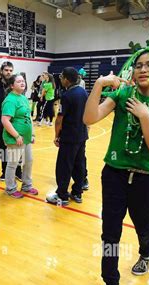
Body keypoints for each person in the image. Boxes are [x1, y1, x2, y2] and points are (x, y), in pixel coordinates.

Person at [83, 35, 149, 285]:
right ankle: (110, 281)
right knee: (110, 232)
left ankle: (147, 252)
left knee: (143, 224)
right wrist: (99, 85)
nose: (143, 69)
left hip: (146, 179)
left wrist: (145, 116)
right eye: (138, 65)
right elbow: (89, 118)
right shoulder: (123, 94)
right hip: (114, 175)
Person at [46, 67, 88, 206]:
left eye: (62, 77)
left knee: (64, 166)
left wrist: (57, 135)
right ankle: (77, 192)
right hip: (81, 135)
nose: (61, 80)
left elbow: (59, 119)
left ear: (66, 79)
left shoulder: (67, 96)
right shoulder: (83, 92)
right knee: (79, 164)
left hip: (69, 137)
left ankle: (62, 195)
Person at [1, 74, 38, 198]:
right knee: (13, 163)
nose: (22, 83)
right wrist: (16, 136)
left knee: (29, 161)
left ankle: (27, 185)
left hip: (26, 138)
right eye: (18, 81)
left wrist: (32, 133)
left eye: (23, 81)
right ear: (12, 85)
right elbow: (5, 120)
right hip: (14, 139)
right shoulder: (10, 100)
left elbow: (28, 117)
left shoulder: (23, 98)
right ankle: (10, 188)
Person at [0, 61, 22, 181]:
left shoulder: (16, 84)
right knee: (3, 148)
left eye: (10, 70)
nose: (8, 72)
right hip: (1, 123)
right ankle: (4, 171)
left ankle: (18, 172)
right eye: (6, 70)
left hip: (15, 123)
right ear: (1, 71)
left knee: (17, 148)